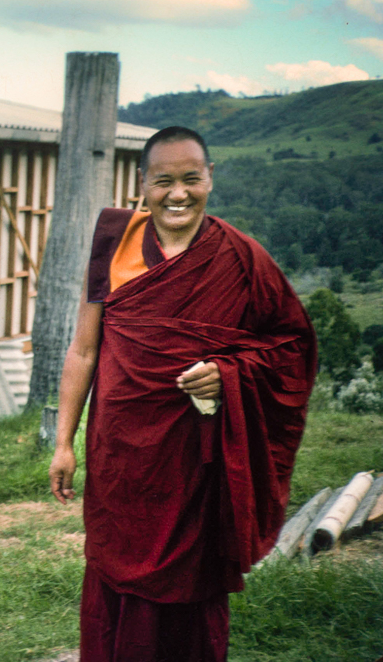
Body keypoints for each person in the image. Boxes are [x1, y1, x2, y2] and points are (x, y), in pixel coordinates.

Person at [47, 127, 317, 661]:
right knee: (116, 569)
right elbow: (83, 351)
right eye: (164, 181)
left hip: (197, 457)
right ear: (142, 184)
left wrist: (229, 371)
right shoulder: (116, 243)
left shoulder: (241, 258)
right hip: (120, 451)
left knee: (190, 579)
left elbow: (292, 348)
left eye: (191, 179)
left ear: (210, 179)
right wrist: (63, 441)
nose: (178, 194)